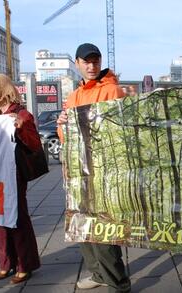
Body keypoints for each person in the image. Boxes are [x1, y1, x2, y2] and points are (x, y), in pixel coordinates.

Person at [57, 43, 131, 293]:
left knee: (103, 230)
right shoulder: (73, 96)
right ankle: (98, 273)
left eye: (95, 61)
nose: (91, 66)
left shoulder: (112, 90)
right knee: (82, 227)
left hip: (103, 173)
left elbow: (123, 133)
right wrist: (62, 123)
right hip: (78, 172)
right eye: (86, 62)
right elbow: (66, 137)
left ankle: (118, 283)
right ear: (77, 63)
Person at [0, 73, 41, 283]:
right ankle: (6, 263)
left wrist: (21, 127)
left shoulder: (21, 114)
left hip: (14, 174)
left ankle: (25, 263)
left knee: (17, 218)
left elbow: (34, 144)